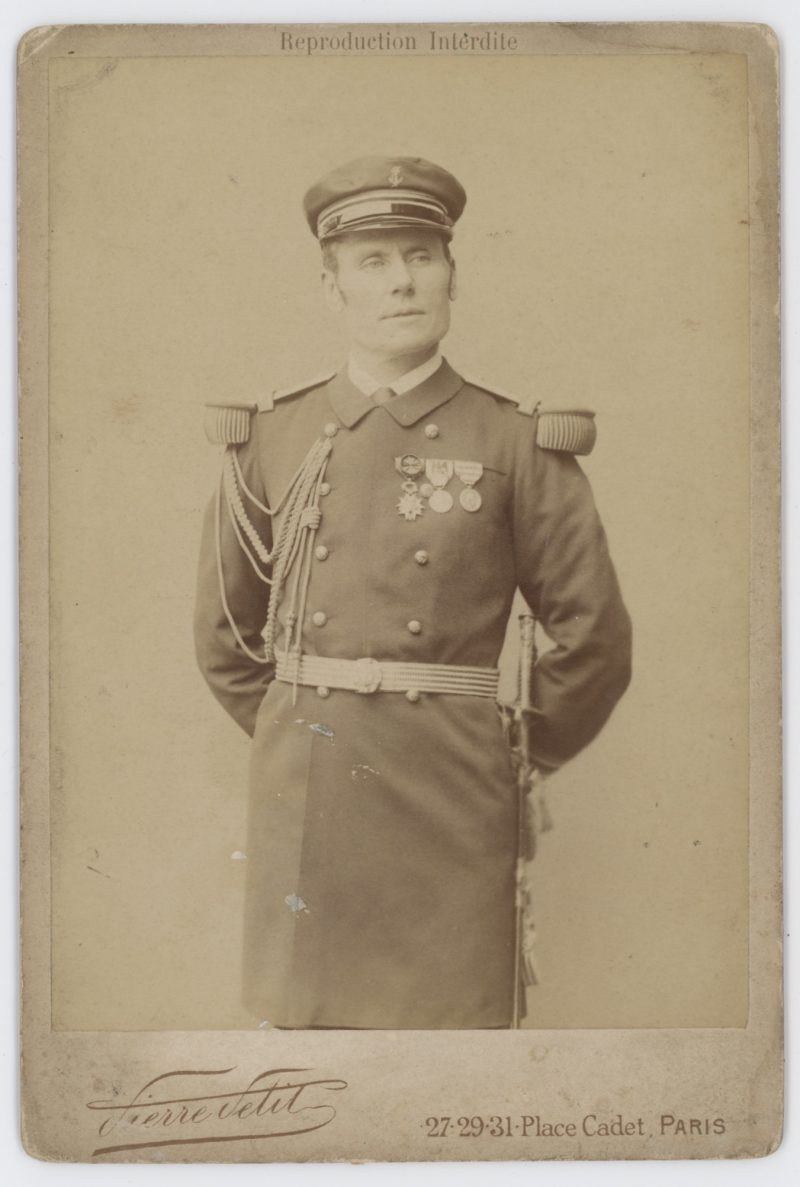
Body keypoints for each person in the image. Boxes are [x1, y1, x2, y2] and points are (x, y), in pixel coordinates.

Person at [194, 155, 632, 1030]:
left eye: (422, 256)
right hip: (308, 790)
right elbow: (226, 635)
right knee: (313, 1060)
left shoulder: (518, 443)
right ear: (332, 288)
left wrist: (510, 756)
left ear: (453, 275)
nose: (402, 281)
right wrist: (306, 732)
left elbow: (593, 640)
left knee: (448, 1050)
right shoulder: (271, 438)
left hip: (456, 788)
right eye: (373, 262)